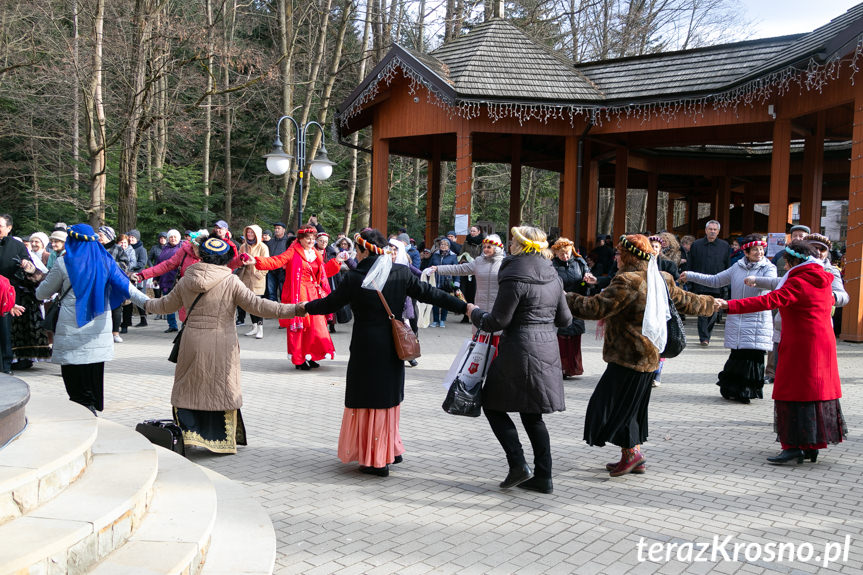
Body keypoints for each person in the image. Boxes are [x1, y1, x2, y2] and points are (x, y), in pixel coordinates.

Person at [301, 229, 467, 476]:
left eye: (357, 249)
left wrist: (300, 307)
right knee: (387, 399)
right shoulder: (400, 272)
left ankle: (374, 460)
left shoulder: (354, 278)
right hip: (392, 345)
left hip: (366, 345)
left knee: (367, 400)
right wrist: (466, 307)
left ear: (365, 250)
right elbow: (431, 295)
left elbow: (328, 305)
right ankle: (390, 449)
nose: (355, 254)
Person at [568, 234, 718, 477]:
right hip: (649, 357)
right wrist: (712, 303)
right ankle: (633, 456)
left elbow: (594, 308)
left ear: (627, 256)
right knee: (632, 408)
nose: (615, 257)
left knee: (610, 407)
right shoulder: (661, 277)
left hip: (628, 357)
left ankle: (632, 456)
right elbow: (686, 300)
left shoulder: (628, 280)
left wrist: (564, 298)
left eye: (618, 253)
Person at [142, 237, 303, 453]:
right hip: (222, 342)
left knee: (190, 385)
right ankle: (221, 439)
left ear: (201, 256)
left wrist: (142, 302)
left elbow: (164, 305)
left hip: (191, 341)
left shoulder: (186, 279)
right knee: (221, 386)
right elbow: (259, 306)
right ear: (226, 258)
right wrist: (296, 309)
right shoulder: (231, 281)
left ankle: (190, 434)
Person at [718, 240, 846, 464]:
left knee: (793, 392)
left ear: (794, 261)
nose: (785, 267)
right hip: (822, 343)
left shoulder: (799, 281)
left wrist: (730, 305)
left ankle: (793, 446)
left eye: (787, 263)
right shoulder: (820, 277)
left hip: (801, 344)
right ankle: (812, 445)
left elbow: (770, 300)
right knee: (814, 394)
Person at [466, 226, 571, 494]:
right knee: (532, 416)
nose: (510, 244)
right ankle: (544, 476)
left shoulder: (513, 274)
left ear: (522, 246)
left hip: (518, 349)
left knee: (492, 405)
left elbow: (497, 321)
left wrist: (475, 312)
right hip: (547, 349)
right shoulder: (553, 274)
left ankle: (518, 464)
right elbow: (565, 319)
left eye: (513, 241)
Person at [34, 224, 147, 415]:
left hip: (71, 331)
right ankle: (91, 414)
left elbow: (42, 293)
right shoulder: (106, 261)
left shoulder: (63, 263)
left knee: (75, 387)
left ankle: (82, 421)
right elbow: (129, 290)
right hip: (99, 331)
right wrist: (153, 304)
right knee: (92, 383)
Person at [680, 235, 776, 403]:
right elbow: (715, 280)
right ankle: (732, 389)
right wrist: (690, 275)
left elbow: (771, 283)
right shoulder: (736, 267)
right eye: (755, 249)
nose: (759, 252)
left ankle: (747, 391)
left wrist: (756, 280)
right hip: (736, 317)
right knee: (737, 355)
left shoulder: (768, 267)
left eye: (761, 249)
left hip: (757, 319)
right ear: (746, 251)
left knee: (752, 356)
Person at [250, 226, 343, 370]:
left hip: (313, 294)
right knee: (300, 327)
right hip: (298, 294)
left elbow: (323, 272)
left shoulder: (315, 254)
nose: (312, 241)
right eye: (308, 238)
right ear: (300, 239)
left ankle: (311, 355)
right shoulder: (293, 251)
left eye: (313, 238)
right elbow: (276, 261)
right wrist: (256, 261)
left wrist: (337, 261)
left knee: (316, 327)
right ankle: (299, 359)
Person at [426, 234, 506, 343]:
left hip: (498, 306)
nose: (486, 250)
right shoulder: (479, 261)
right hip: (481, 304)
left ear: (496, 248)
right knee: (480, 344)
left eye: (489, 247)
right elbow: (459, 269)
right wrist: (438, 268)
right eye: (484, 247)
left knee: (497, 340)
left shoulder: (505, 263)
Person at [550, 238, 596, 379]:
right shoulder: (551, 265)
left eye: (568, 253)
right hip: (559, 303)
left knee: (575, 335)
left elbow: (587, 285)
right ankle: (560, 368)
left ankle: (572, 367)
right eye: (562, 253)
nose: (566, 256)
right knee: (561, 337)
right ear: (556, 253)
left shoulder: (580, 263)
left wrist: (587, 282)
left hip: (576, 302)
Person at [686, 220, 729, 346]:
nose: (712, 231)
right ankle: (704, 338)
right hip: (700, 284)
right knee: (702, 312)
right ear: (705, 230)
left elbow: (727, 266)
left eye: (715, 230)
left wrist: (726, 283)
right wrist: (690, 279)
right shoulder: (697, 245)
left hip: (718, 284)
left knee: (714, 312)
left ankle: (707, 335)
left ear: (718, 232)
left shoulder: (724, 246)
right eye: (710, 229)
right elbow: (690, 263)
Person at [0, 215, 32, 374]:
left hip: (8, 294)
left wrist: (26, 264)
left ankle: (5, 365)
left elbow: (28, 263)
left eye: (0, 225)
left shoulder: (17, 245)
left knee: (5, 329)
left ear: (9, 228)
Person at [236, 225, 270, 339]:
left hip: (257, 279)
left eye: (252, 232)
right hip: (245, 278)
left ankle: (260, 328)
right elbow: (238, 260)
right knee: (249, 304)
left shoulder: (263, 247)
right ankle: (254, 326)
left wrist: (260, 274)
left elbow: (266, 263)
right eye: (248, 232)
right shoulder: (243, 246)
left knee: (257, 304)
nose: (250, 234)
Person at [121, 229, 149, 331]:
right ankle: (128, 321)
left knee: (140, 297)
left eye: (133, 237)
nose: (131, 239)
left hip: (139, 276)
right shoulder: (125, 248)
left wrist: (130, 267)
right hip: (128, 275)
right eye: (130, 237)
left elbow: (142, 263)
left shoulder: (142, 250)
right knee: (129, 299)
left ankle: (143, 319)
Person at [428, 238, 458, 327]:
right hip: (435, 281)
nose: (443, 246)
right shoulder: (435, 255)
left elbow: (456, 270)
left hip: (447, 282)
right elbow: (429, 266)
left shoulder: (453, 256)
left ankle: (442, 320)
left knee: (445, 301)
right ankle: (435, 320)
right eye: (441, 244)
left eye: (445, 245)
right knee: (435, 301)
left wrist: (457, 282)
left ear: (448, 246)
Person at [264, 222, 289, 302]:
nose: (276, 230)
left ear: (284, 230)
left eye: (278, 228)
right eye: (275, 228)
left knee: (283, 292)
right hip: (271, 270)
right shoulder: (270, 242)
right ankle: (273, 311)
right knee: (271, 293)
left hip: (283, 271)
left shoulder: (288, 242)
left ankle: (283, 312)